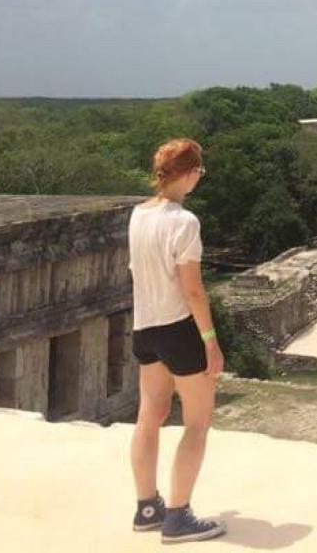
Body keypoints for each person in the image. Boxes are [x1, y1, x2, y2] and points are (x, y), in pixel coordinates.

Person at [128, 138, 227, 543]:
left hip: (145, 327)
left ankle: (147, 507)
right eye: (199, 172)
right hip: (179, 327)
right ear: (188, 174)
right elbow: (193, 291)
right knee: (198, 423)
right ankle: (178, 516)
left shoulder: (138, 214)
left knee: (149, 417)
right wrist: (211, 341)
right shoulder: (184, 222)